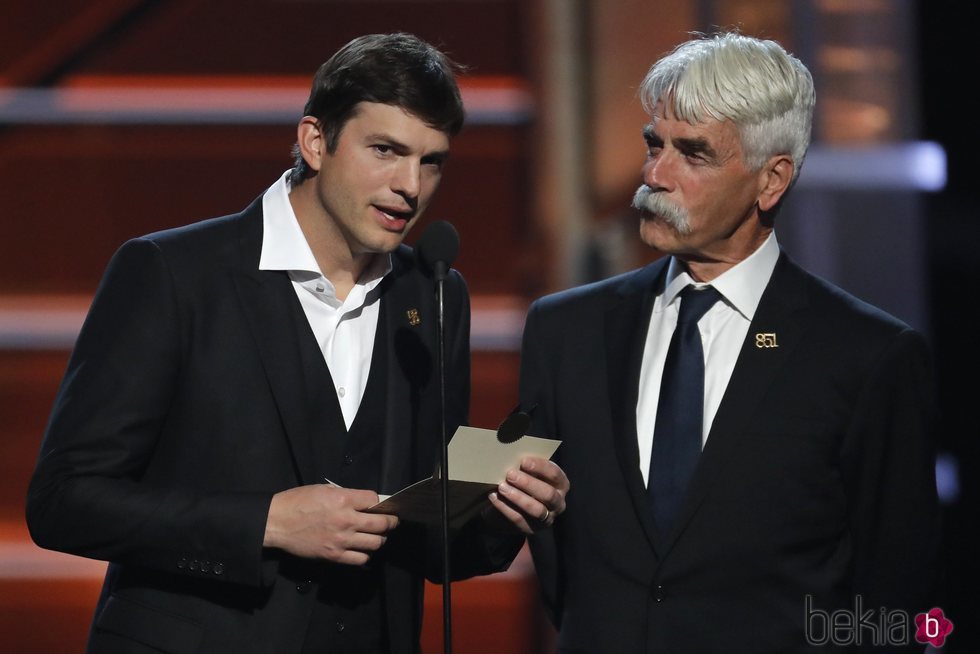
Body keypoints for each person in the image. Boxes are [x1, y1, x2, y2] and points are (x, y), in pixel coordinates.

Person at [26, 32, 568, 654]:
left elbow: (428, 542)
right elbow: (64, 501)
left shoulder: (435, 294)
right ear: (316, 141)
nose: (410, 186)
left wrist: (504, 508)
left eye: (431, 160)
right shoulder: (174, 274)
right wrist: (268, 523)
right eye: (385, 151)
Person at [518, 31, 940, 653]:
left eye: (693, 153)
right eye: (652, 144)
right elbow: (553, 565)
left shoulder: (866, 356)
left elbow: (902, 608)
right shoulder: (565, 330)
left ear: (771, 182)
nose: (654, 174)